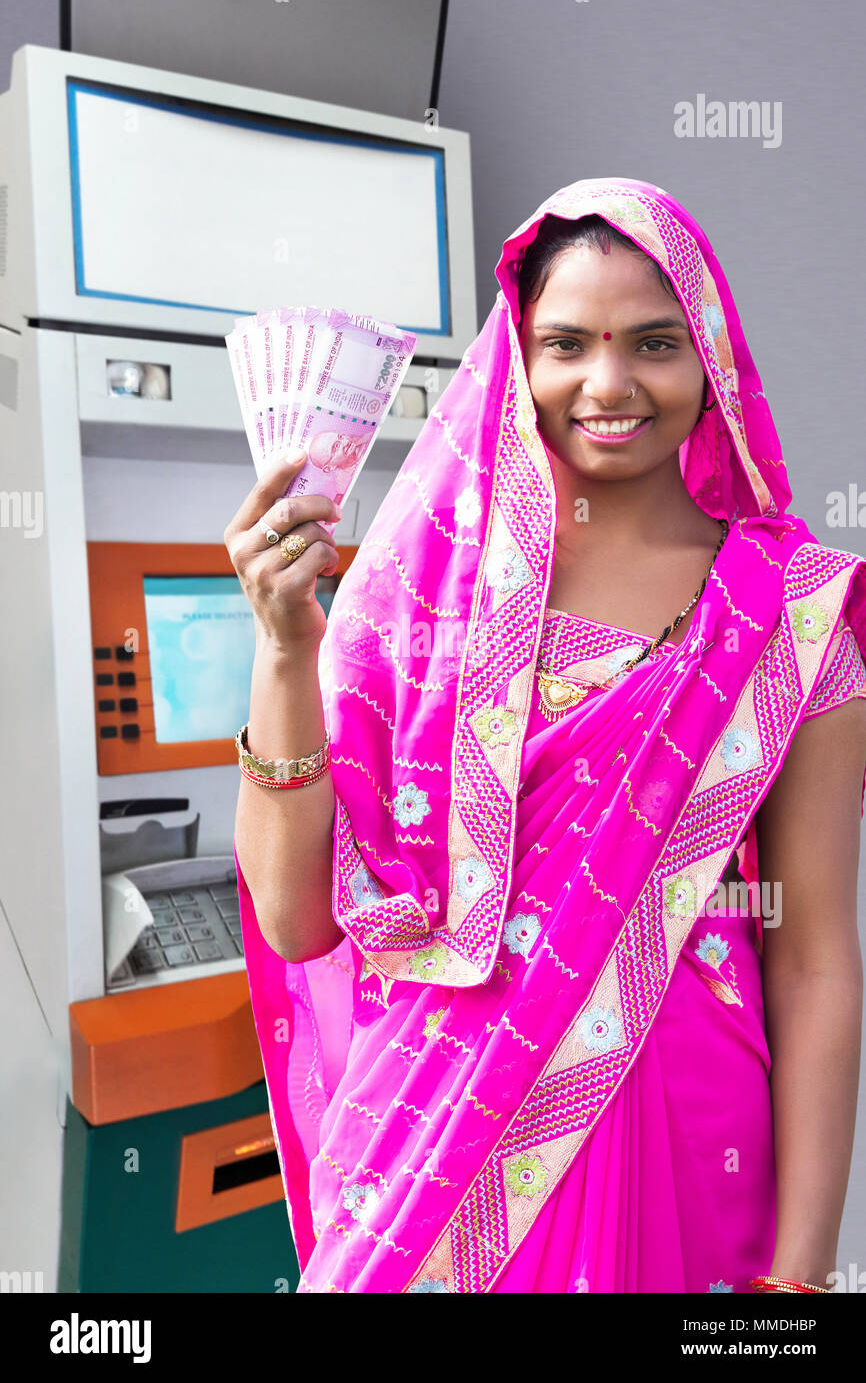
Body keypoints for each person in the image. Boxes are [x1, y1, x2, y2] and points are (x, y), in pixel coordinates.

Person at [224, 177, 866, 1294]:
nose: (605, 384)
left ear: (708, 356)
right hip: (426, 1137)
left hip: (684, 1145)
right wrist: (285, 651)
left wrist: (802, 1280)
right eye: (564, 342)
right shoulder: (412, 600)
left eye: (652, 344)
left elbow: (810, 954)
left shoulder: (791, 611)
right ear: (514, 357)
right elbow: (294, 920)